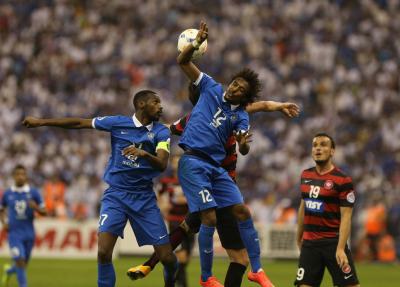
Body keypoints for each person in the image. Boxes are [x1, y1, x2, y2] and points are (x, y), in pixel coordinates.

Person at [128, 83, 299, 287]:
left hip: (214, 183)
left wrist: (141, 130)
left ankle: (150, 264)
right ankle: (207, 274)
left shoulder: (199, 117)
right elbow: (257, 106)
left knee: (187, 226)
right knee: (238, 258)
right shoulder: (215, 115)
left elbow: (168, 128)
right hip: (219, 185)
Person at [22, 90, 178, 287]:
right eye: (156, 102)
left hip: (144, 199)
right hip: (116, 196)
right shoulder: (117, 123)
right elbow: (80, 123)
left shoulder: (161, 132)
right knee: (103, 252)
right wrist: (42, 121)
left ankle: (171, 282)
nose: (161, 106)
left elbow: (162, 164)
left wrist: (144, 154)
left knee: (167, 258)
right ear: (141, 105)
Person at [176, 21, 274, 287]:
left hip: (217, 169)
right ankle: (206, 277)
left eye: (241, 89)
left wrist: (243, 144)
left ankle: (258, 270)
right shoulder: (210, 87)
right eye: (235, 83)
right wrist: (195, 43)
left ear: (244, 98)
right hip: (194, 160)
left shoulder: (240, 115)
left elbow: (243, 147)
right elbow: (183, 62)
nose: (234, 88)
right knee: (209, 216)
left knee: (242, 211)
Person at [294, 133, 360, 287]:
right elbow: (303, 207)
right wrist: (299, 237)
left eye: (323, 144)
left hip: (333, 243)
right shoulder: (305, 175)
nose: (318, 148)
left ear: (332, 151)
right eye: (315, 145)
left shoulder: (343, 180)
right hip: (310, 244)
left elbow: (346, 217)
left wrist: (341, 248)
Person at [0, 164, 47, 287]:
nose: (20, 177)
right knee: (20, 262)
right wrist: (4, 223)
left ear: (26, 176)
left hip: (29, 234)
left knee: (22, 265)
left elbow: (45, 212)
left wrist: (35, 207)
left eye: (23, 174)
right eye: (18, 174)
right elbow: (1, 209)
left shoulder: (34, 193)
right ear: (13, 176)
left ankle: (8, 271)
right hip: (14, 234)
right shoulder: (7, 193)